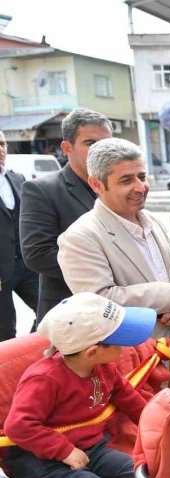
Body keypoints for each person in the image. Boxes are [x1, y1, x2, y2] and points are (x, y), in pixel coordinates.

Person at [3, 293, 166, 478]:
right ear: (92, 352)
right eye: (119, 342)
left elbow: (128, 399)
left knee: (131, 469)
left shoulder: (104, 366)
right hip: (39, 463)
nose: (125, 347)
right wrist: (64, 451)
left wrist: (158, 427)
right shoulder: (44, 379)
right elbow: (18, 427)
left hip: (91, 448)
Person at [57, 139, 170, 340]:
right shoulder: (79, 237)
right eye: (126, 180)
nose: (140, 187)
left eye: (142, 176)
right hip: (132, 357)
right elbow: (101, 302)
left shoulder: (152, 220)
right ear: (96, 184)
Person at [20, 109, 113, 321]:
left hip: (121, 309)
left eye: (106, 144)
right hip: (71, 313)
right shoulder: (42, 189)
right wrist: (105, 267)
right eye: (90, 143)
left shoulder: (120, 187)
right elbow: (37, 254)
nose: (101, 152)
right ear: (67, 148)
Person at [0, 129, 39, 340]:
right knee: (5, 332)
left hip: (27, 265)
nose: (1, 150)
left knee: (51, 313)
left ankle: (34, 355)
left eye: (3, 144)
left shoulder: (18, 178)